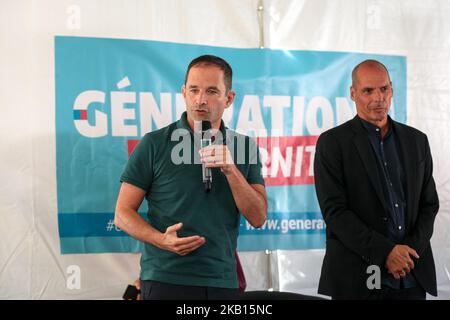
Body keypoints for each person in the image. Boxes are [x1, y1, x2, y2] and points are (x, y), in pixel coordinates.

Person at [114, 55, 267, 300]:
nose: (200, 100)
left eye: (212, 91)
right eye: (194, 90)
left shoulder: (244, 147)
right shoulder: (154, 143)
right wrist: (161, 240)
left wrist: (231, 170)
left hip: (223, 280)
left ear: (229, 99)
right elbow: (122, 214)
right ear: (184, 92)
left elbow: (258, 216)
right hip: (166, 278)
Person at [313, 59, 439, 300]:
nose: (378, 98)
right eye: (368, 91)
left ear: (392, 89)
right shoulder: (333, 143)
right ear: (353, 93)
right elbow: (335, 212)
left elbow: (429, 204)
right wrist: (387, 253)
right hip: (359, 279)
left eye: (384, 89)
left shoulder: (417, 140)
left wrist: (407, 254)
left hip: (412, 276)